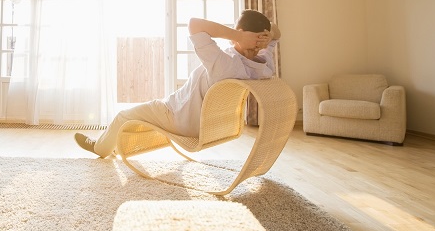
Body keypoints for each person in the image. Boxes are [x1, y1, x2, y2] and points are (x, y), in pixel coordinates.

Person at [75, 10, 281, 158]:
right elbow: (277, 32)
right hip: (207, 126)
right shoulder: (264, 65)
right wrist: (266, 38)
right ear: (262, 40)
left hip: (175, 115)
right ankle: (113, 145)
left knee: (122, 116)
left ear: (242, 32)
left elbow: (194, 24)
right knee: (143, 111)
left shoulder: (224, 64)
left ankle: (99, 148)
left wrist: (238, 36)